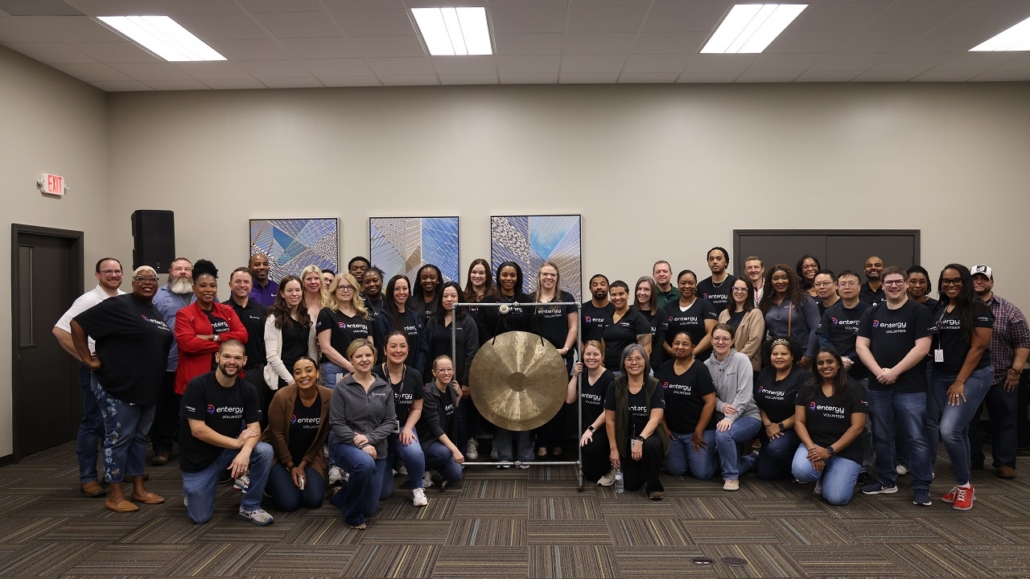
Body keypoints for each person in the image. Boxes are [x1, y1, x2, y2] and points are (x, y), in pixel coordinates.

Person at [70, 266, 173, 513]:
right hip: (119, 387)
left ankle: (138, 490)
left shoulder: (152, 310)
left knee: (138, 439)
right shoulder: (118, 304)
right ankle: (115, 495)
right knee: (118, 440)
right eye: (141, 278)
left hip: (146, 389)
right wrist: (87, 359)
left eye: (152, 278)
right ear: (133, 281)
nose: (147, 282)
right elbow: (77, 324)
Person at [856, 266, 935, 506]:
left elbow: (922, 348)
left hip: (910, 387)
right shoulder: (872, 312)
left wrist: (894, 372)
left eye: (899, 281)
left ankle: (921, 485)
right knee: (882, 436)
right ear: (882, 285)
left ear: (906, 284)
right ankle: (886, 480)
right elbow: (861, 346)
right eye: (889, 282)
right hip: (878, 386)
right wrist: (880, 372)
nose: (894, 286)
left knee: (915, 437)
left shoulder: (919, 312)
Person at [178, 340, 274, 525]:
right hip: (199, 460)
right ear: (217, 357)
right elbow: (198, 430)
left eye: (237, 358)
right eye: (227, 356)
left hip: (227, 452)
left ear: (244, 360)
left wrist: (244, 452)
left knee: (264, 451)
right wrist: (237, 444)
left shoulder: (248, 389)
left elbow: (255, 428)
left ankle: (250, 506)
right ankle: (193, 492)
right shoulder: (198, 385)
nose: (232, 362)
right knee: (200, 517)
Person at [53, 257, 124, 497]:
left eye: (117, 271)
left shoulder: (123, 298)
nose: (113, 275)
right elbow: (60, 330)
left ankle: (111, 473)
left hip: (116, 371)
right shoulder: (88, 300)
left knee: (112, 424)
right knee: (93, 423)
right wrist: (86, 359)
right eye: (108, 272)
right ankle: (88, 477)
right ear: (97, 275)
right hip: (96, 371)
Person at [929, 264, 994, 510]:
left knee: (949, 430)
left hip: (972, 376)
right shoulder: (941, 308)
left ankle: (964, 486)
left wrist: (960, 381)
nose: (951, 285)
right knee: (960, 431)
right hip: (941, 375)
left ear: (965, 282)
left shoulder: (978, 308)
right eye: (946, 281)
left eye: (956, 280)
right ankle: (964, 484)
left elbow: (978, 347)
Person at [969, 264, 1030, 479]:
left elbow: (1023, 340)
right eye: (974, 278)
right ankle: (972, 459)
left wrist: (1016, 370)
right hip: (969, 377)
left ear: (991, 282)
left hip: (1002, 377)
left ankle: (1005, 463)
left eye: (983, 278)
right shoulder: (961, 308)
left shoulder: (1009, 310)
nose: (979, 282)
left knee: (1005, 419)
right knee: (968, 420)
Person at [328, 339, 396, 530]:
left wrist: (370, 439)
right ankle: (352, 516)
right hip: (346, 444)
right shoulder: (342, 388)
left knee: (370, 508)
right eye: (359, 356)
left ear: (374, 357)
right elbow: (337, 422)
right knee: (364, 464)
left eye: (368, 355)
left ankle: (339, 495)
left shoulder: (384, 387)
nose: (364, 359)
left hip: (378, 450)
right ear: (351, 359)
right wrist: (360, 442)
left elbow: (390, 421)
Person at [792, 348, 869, 505]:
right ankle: (824, 473)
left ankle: (836, 474)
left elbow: (857, 427)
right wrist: (813, 449)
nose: (825, 366)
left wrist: (829, 451)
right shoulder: (808, 387)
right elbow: (799, 422)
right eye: (820, 363)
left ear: (839, 364)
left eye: (830, 362)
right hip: (816, 444)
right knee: (801, 472)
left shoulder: (855, 389)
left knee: (836, 498)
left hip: (847, 450)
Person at [479, 261, 538, 466]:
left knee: (525, 406)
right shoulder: (488, 301)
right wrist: (497, 350)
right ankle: (504, 455)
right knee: (502, 406)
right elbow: (483, 328)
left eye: (513, 275)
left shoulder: (526, 300)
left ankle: (525, 454)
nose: (508, 278)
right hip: (496, 362)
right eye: (504, 274)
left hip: (523, 362)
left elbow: (531, 329)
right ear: (498, 277)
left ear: (518, 277)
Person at [816, 270, 872, 482]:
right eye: (843, 283)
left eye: (852, 283)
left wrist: (848, 359)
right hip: (833, 374)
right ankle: (831, 461)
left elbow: (869, 341)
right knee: (830, 418)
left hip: (861, 374)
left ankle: (865, 467)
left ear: (859, 287)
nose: (847, 287)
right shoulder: (830, 312)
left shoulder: (869, 311)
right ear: (838, 287)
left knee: (864, 424)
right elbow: (823, 337)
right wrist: (837, 361)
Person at [261, 356, 332, 512]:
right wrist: (291, 466)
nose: (304, 376)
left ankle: (292, 478)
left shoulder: (329, 397)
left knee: (313, 500)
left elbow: (322, 437)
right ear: (294, 376)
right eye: (298, 372)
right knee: (289, 503)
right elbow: (276, 435)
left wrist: (303, 464)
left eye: (308, 370)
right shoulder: (281, 396)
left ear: (318, 373)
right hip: (279, 456)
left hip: (308, 455)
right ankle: (268, 482)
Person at [174, 260, 248, 401]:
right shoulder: (184, 314)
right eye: (203, 285)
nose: (209, 289)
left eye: (213, 286)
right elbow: (188, 344)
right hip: (195, 380)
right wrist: (228, 347)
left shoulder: (227, 310)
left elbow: (243, 336)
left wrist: (214, 337)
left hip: (228, 380)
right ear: (194, 288)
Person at [604, 344, 668, 500]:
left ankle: (654, 486)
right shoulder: (615, 385)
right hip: (625, 438)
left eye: (639, 359)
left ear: (645, 362)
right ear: (623, 363)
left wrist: (640, 439)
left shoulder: (655, 385)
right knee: (632, 485)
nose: (634, 363)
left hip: (647, 435)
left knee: (651, 445)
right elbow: (610, 420)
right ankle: (643, 467)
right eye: (629, 359)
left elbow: (656, 417)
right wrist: (614, 449)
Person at [744, 337, 813, 480]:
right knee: (766, 474)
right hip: (769, 428)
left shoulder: (804, 376)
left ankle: (796, 464)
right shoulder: (765, 373)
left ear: (793, 356)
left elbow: (804, 411)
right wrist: (768, 424)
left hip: (793, 428)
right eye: (775, 354)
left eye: (784, 354)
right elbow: (759, 402)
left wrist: (780, 426)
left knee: (776, 449)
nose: (779, 357)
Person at [371, 331, 428, 506]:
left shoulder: (414, 375)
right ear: (385, 350)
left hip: (402, 428)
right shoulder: (374, 374)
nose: (398, 350)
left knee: (414, 452)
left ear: (408, 350)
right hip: (379, 434)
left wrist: (409, 428)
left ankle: (417, 486)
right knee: (383, 493)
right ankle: (388, 465)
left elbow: (417, 407)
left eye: (402, 346)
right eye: (393, 346)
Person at [425, 281, 479, 459]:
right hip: (437, 381)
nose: (449, 299)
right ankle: (441, 456)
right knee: (439, 419)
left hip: (458, 381)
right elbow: (427, 350)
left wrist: (466, 382)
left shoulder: (467, 321)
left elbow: (472, 353)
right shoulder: (433, 321)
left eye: (453, 296)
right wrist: (428, 378)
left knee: (459, 418)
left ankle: (460, 453)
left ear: (459, 298)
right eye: (445, 296)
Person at [705, 323, 761, 491]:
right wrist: (721, 407)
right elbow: (709, 396)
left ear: (733, 341)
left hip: (748, 416)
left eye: (725, 339)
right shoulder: (706, 365)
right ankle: (751, 460)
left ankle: (731, 477)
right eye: (717, 338)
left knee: (723, 435)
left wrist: (729, 418)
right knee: (712, 467)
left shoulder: (741, 360)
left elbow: (744, 395)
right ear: (711, 340)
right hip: (723, 417)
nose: (720, 342)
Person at [150, 257, 194, 466]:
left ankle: (191, 447)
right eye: (179, 269)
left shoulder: (202, 294)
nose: (183, 272)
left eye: (187, 269)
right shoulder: (158, 296)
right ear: (170, 271)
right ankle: (162, 448)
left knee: (193, 408)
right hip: (167, 362)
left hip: (195, 364)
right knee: (165, 408)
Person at [655, 332, 718, 480]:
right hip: (674, 433)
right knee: (676, 470)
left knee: (702, 473)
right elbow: (658, 401)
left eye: (685, 344)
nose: (680, 347)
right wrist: (664, 428)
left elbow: (711, 402)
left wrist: (698, 431)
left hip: (698, 432)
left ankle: (735, 459)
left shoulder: (699, 369)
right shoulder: (665, 368)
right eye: (676, 343)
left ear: (693, 348)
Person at [567, 341, 616, 484]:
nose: (591, 357)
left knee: (591, 458)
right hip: (587, 428)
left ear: (602, 356)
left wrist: (591, 429)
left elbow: (608, 410)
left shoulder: (609, 378)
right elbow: (569, 399)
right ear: (583, 356)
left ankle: (612, 467)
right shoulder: (582, 374)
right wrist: (575, 376)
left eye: (595, 354)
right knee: (590, 475)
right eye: (588, 354)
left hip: (603, 428)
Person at [316, 272, 373, 388]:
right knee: (337, 404)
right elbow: (325, 348)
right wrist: (350, 367)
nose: (345, 290)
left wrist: (362, 366)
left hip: (361, 368)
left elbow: (370, 344)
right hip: (336, 369)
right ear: (334, 290)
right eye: (341, 287)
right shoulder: (327, 313)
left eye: (349, 287)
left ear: (355, 290)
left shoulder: (363, 314)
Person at [264, 276, 319, 393]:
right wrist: (291, 380)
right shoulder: (274, 318)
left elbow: (313, 351)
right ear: (282, 294)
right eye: (289, 290)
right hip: (283, 376)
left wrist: (311, 374)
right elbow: (272, 355)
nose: (294, 294)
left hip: (305, 376)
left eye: (297, 290)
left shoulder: (307, 316)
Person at [758, 264, 819, 368]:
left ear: (790, 280)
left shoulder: (803, 299)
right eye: (776, 278)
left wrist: (809, 356)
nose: (780, 281)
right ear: (770, 282)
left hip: (801, 357)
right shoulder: (766, 302)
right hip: (778, 358)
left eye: (784, 278)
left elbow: (816, 327)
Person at [417, 356, 464, 491]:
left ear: (454, 371)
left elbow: (449, 412)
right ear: (434, 372)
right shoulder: (428, 394)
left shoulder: (450, 389)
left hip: (441, 441)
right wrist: (454, 449)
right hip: (428, 440)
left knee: (456, 473)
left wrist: (459, 396)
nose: (446, 373)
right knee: (444, 453)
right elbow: (435, 427)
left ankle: (431, 468)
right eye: (442, 370)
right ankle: (421, 468)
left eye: (449, 369)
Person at [653, 270, 718, 367]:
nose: (687, 286)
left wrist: (692, 353)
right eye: (683, 283)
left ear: (695, 284)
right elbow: (661, 335)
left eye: (691, 283)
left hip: (700, 361)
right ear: (678, 285)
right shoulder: (668, 308)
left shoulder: (704, 305)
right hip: (673, 362)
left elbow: (712, 333)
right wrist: (671, 352)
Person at [227, 267, 268, 407]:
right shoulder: (221, 309)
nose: (242, 285)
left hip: (255, 372)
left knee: (255, 410)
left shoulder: (262, 310)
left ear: (251, 285)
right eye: (238, 281)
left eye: (246, 282)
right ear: (230, 284)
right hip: (228, 370)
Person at [375, 275, 429, 376]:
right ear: (391, 292)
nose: (401, 292)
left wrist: (416, 373)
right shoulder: (382, 318)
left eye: (405, 288)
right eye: (397, 289)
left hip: (414, 374)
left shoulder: (415, 317)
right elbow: (382, 350)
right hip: (391, 375)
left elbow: (423, 348)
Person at [717, 276, 765, 374]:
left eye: (743, 289)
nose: (739, 292)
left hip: (747, 367)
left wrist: (734, 361)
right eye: (736, 288)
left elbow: (754, 341)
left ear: (749, 292)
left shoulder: (755, 313)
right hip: (723, 367)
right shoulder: (724, 313)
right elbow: (717, 339)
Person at [602, 280, 652, 372]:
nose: (617, 297)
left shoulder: (638, 318)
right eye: (613, 295)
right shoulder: (607, 318)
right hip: (609, 371)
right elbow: (603, 347)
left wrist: (637, 373)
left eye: (621, 294)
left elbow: (646, 351)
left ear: (628, 295)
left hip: (630, 371)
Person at [697, 247, 732, 315]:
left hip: (731, 324)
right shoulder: (701, 286)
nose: (715, 262)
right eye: (711, 259)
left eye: (719, 259)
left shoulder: (735, 282)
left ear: (726, 262)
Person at [581, 274, 614, 343]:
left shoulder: (616, 310)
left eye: (602, 284)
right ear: (590, 289)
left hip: (611, 353)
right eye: (595, 285)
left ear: (608, 287)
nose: (599, 287)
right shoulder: (581, 309)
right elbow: (576, 333)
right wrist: (583, 351)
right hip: (588, 353)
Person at [462, 258, 494, 327]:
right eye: (474, 272)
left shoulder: (496, 297)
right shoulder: (462, 297)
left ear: (487, 275)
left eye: (481, 273)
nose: (477, 276)